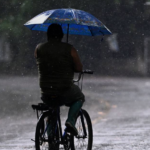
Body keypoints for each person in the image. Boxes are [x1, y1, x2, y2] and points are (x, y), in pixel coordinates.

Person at [34, 23, 85, 136]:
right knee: (80, 97)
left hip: (46, 92)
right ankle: (70, 121)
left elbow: (40, 61)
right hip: (64, 91)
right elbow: (78, 68)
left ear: (48, 35)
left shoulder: (39, 48)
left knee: (53, 106)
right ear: (61, 35)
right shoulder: (70, 49)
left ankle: (51, 138)